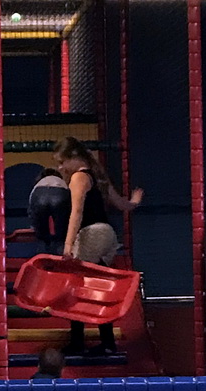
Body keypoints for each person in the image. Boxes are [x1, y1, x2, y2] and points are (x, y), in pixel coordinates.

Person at [56, 135, 143, 357]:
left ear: (74, 158)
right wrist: (134, 201)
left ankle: (77, 342)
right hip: (107, 236)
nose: (60, 167)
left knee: (76, 287)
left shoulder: (78, 177)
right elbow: (122, 204)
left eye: (62, 161)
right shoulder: (97, 175)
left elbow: (77, 212)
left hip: (91, 234)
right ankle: (107, 342)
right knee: (97, 289)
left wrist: (68, 245)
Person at [28, 167, 70, 255]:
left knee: (42, 236)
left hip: (39, 193)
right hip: (60, 191)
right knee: (61, 236)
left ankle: (42, 257)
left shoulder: (38, 184)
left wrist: (33, 225)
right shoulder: (61, 182)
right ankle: (61, 257)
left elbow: (31, 209)